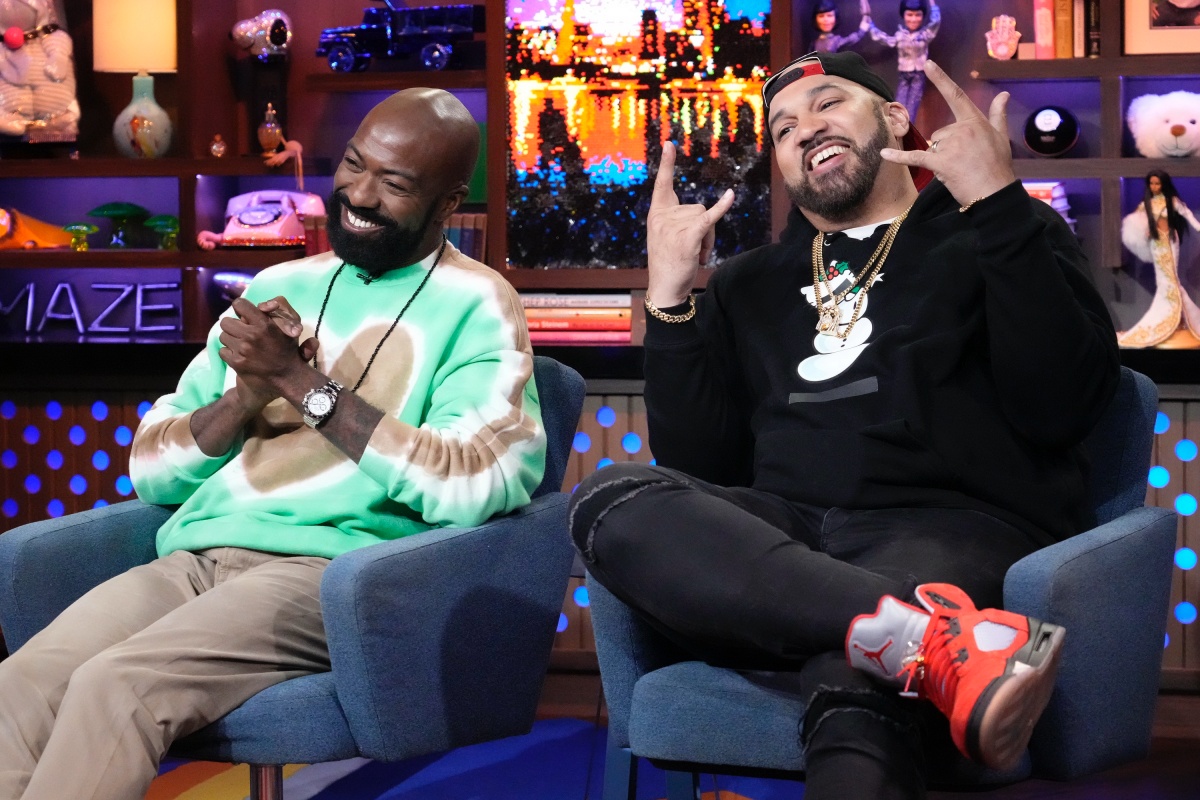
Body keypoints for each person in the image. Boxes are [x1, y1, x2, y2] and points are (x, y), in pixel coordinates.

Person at [570, 51, 1118, 798]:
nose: (805, 129)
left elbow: (1062, 407)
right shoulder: (745, 283)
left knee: (856, 661)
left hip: (950, 522)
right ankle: (935, 641)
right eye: (784, 126)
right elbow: (701, 463)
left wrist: (995, 203)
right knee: (609, 499)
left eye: (829, 104)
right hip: (784, 527)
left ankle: (894, 630)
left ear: (894, 116)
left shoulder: (999, 228)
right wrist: (669, 298)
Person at [0, 88, 546, 800]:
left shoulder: (479, 305)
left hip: (332, 576)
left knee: (118, 687)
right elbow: (151, 468)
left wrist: (302, 384)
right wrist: (247, 397)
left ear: (447, 204)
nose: (360, 193)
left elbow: (477, 483)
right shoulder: (278, 284)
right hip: (195, 560)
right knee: (22, 683)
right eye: (354, 165)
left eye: (396, 183)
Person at [1119, 169, 1200, 347]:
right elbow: (1135, 222)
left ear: (1164, 184)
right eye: (1152, 183)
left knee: (1171, 279)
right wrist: (1144, 229)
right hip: (1156, 244)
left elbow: (1187, 215)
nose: (1155, 186)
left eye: (1158, 183)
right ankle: (1173, 318)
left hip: (1170, 241)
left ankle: (1175, 318)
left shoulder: (1171, 201)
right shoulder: (1146, 204)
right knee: (1165, 280)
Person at [868, 0, 940, 121]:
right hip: (904, 75)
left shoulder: (925, 34)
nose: (913, 19)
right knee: (899, 106)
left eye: (917, 15)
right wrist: (870, 26)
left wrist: (932, 4)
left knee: (912, 108)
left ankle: (909, 136)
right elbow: (885, 39)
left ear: (923, 16)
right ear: (903, 15)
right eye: (909, 15)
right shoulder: (900, 35)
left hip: (918, 74)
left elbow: (936, 21)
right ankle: (899, 134)